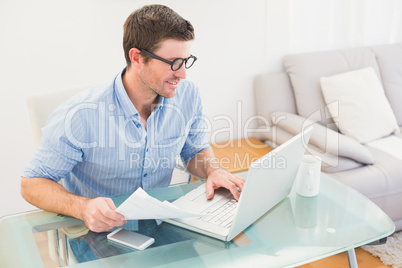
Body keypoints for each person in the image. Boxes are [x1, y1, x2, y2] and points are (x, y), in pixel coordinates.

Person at [21, 4, 244, 233]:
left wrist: (213, 170)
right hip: (101, 234)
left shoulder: (187, 95)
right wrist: (83, 207)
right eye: (174, 63)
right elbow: (32, 184)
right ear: (137, 57)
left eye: (186, 61)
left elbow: (194, 150)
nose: (183, 74)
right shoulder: (81, 114)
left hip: (162, 223)